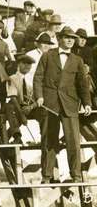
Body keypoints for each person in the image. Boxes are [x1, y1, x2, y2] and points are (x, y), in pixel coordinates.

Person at [33, 26, 92, 183]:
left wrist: (87, 103)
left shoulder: (77, 60)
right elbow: (38, 77)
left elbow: (82, 84)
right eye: (67, 37)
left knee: (73, 141)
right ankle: (46, 176)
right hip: (50, 104)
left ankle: (76, 175)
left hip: (70, 105)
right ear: (59, 39)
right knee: (49, 141)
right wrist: (39, 96)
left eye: (72, 38)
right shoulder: (47, 56)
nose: (70, 40)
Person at [4, 54, 43, 144]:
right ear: (18, 64)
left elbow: (39, 97)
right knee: (9, 107)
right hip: (17, 106)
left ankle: (44, 137)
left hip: (31, 107)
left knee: (43, 111)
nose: (27, 66)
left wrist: (31, 107)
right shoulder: (12, 78)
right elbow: (13, 97)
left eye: (29, 64)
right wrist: (21, 114)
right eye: (24, 63)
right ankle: (17, 136)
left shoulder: (34, 79)